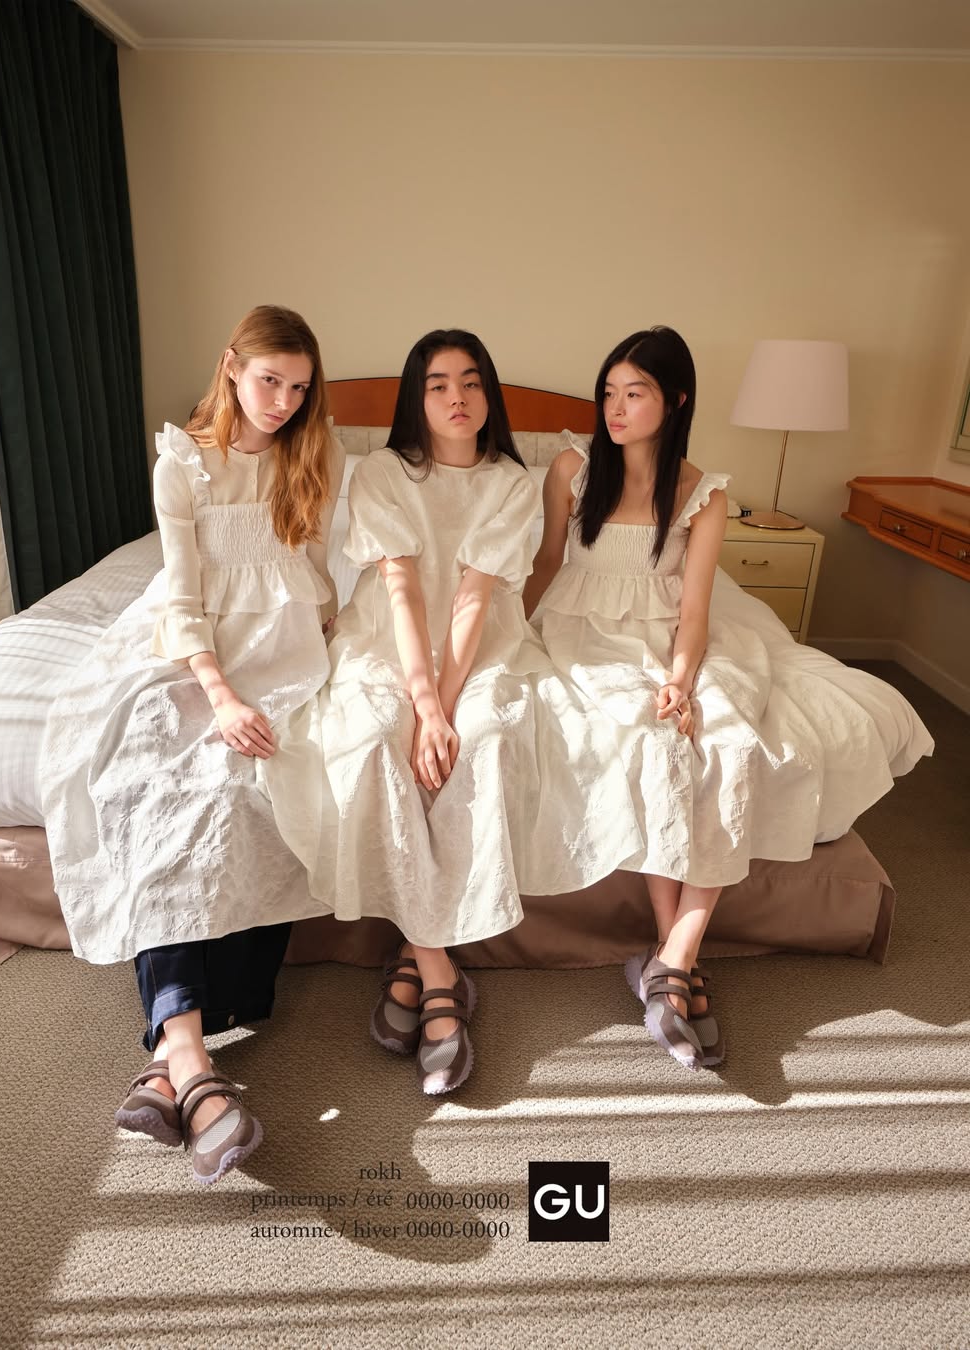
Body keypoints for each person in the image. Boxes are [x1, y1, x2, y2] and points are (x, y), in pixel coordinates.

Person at [525, 326, 933, 1072]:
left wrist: (679, 679)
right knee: (651, 743)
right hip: (585, 633)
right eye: (609, 392)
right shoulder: (572, 468)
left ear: (675, 401)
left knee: (729, 741)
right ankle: (674, 959)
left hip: (672, 638)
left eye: (635, 393)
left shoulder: (702, 494)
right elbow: (548, 562)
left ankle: (674, 953)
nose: (615, 408)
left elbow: (696, 610)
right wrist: (505, 639)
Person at [41, 305, 345, 1182]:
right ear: (231, 367)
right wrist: (218, 694)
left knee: (248, 787)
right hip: (196, 649)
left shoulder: (313, 454)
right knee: (154, 780)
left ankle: (168, 1065)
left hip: (285, 645)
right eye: (268, 381)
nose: (283, 401)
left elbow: (316, 575)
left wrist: (327, 645)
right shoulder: (182, 463)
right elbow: (181, 598)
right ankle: (194, 1064)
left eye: (298, 387)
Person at [321, 330, 641, 1095]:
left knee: (488, 738)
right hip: (387, 633)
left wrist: (447, 703)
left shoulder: (510, 481)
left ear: (489, 394)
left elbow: (473, 595)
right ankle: (439, 970)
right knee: (375, 738)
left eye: (470, 381)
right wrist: (423, 701)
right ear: (416, 397)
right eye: (437, 384)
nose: (456, 397)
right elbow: (401, 587)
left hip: (483, 640)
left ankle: (415, 957)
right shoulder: (381, 473)